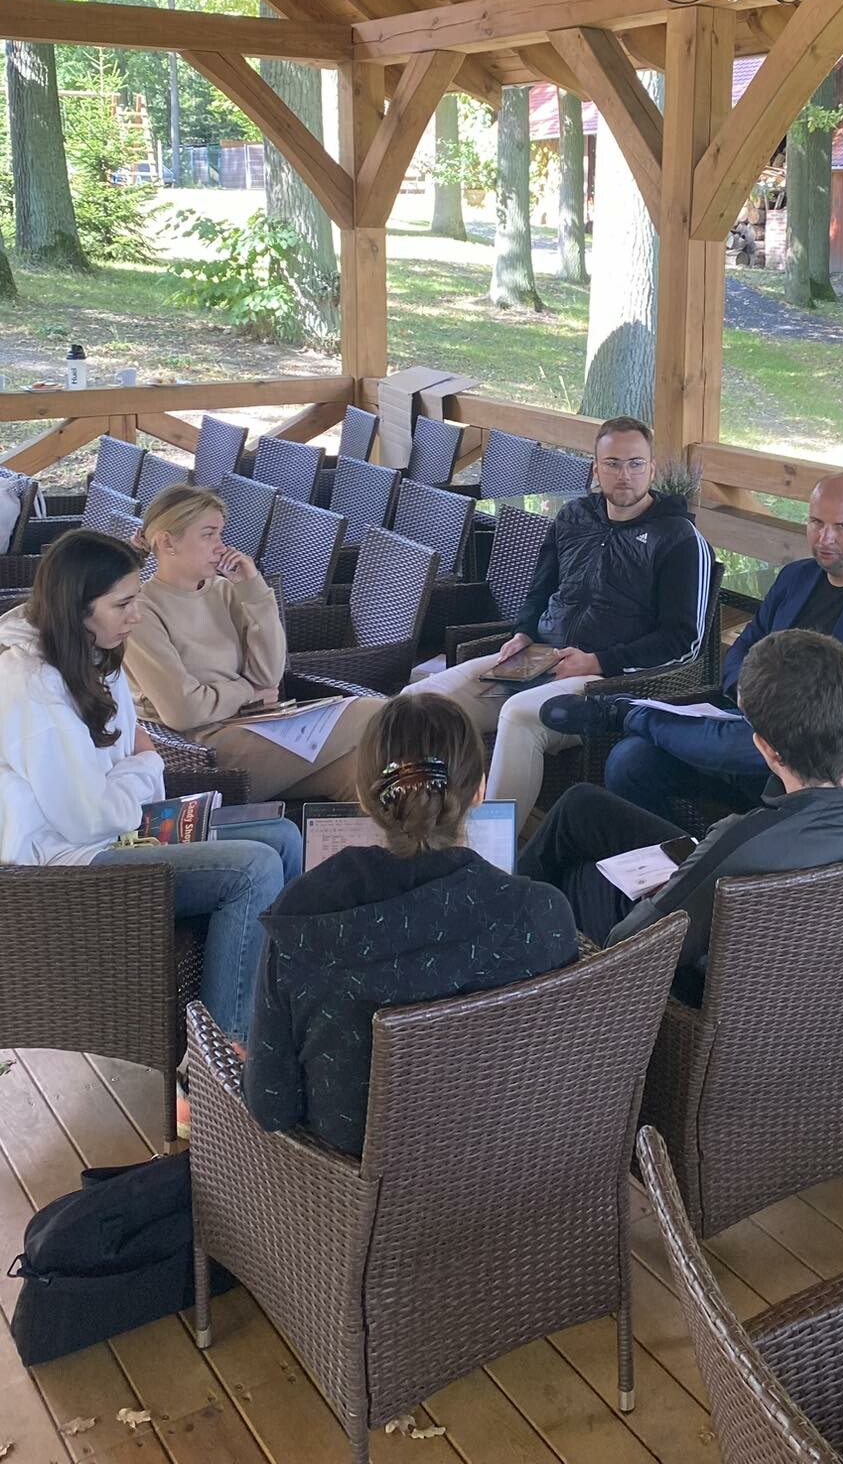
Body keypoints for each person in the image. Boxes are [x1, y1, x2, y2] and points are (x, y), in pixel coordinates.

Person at [0, 531, 301, 1051]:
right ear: (77, 608)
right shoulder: (33, 688)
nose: (136, 615)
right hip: (60, 867)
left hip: (110, 831)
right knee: (251, 869)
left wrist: (136, 768)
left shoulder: (94, 653)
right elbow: (91, 817)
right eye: (123, 604)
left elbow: (120, 776)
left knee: (283, 837)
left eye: (135, 599)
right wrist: (145, 763)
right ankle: (219, 1058)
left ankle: (277, 1013)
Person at [242, 692, 579, 1154]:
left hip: (355, 1183)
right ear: (479, 791)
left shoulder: (301, 916)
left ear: (364, 797)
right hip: (518, 1164)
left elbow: (271, 1105)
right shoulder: (542, 915)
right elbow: (565, 1073)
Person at [520, 628, 843, 1002]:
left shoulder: (743, 843)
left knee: (577, 878)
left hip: (718, 994)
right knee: (583, 806)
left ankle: (521, 967)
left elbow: (632, 945)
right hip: (819, 979)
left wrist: (656, 899)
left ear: (766, 749)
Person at [543, 472, 843, 818]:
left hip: (812, 755)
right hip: (746, 726)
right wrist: (746, 689)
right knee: (629, 761)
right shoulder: (796, 578)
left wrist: (809, 695)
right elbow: (744, 650)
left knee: (758, 747)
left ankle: (629, 713)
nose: (825, 537)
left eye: (842, 527)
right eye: (816, 522)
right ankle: (678, 862)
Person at [407, 418, 713, 829]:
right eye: (613, 463)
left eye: (636, 464)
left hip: (608, 681)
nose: (624, 475)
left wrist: (598, 661)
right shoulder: (573, 517)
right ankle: (423, 826)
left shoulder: (678, 538)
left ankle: (490, 851)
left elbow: (684, 641)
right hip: (538, 659)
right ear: (596, 468)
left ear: (652, 468)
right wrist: (522, 633)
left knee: (518, 716)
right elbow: (540, 591)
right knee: (419, 701)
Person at [125, 485, 386, 802]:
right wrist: (247, 691)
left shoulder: (224, 591)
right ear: (168, 542)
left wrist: (253, 590)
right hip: (207, 751)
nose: (221, 547)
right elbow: (184, 711)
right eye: (208, 535)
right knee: (381, 713)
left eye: (220, 534)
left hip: (261, 728)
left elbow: (269, 675)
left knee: (369, 777)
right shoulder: (141, 611)